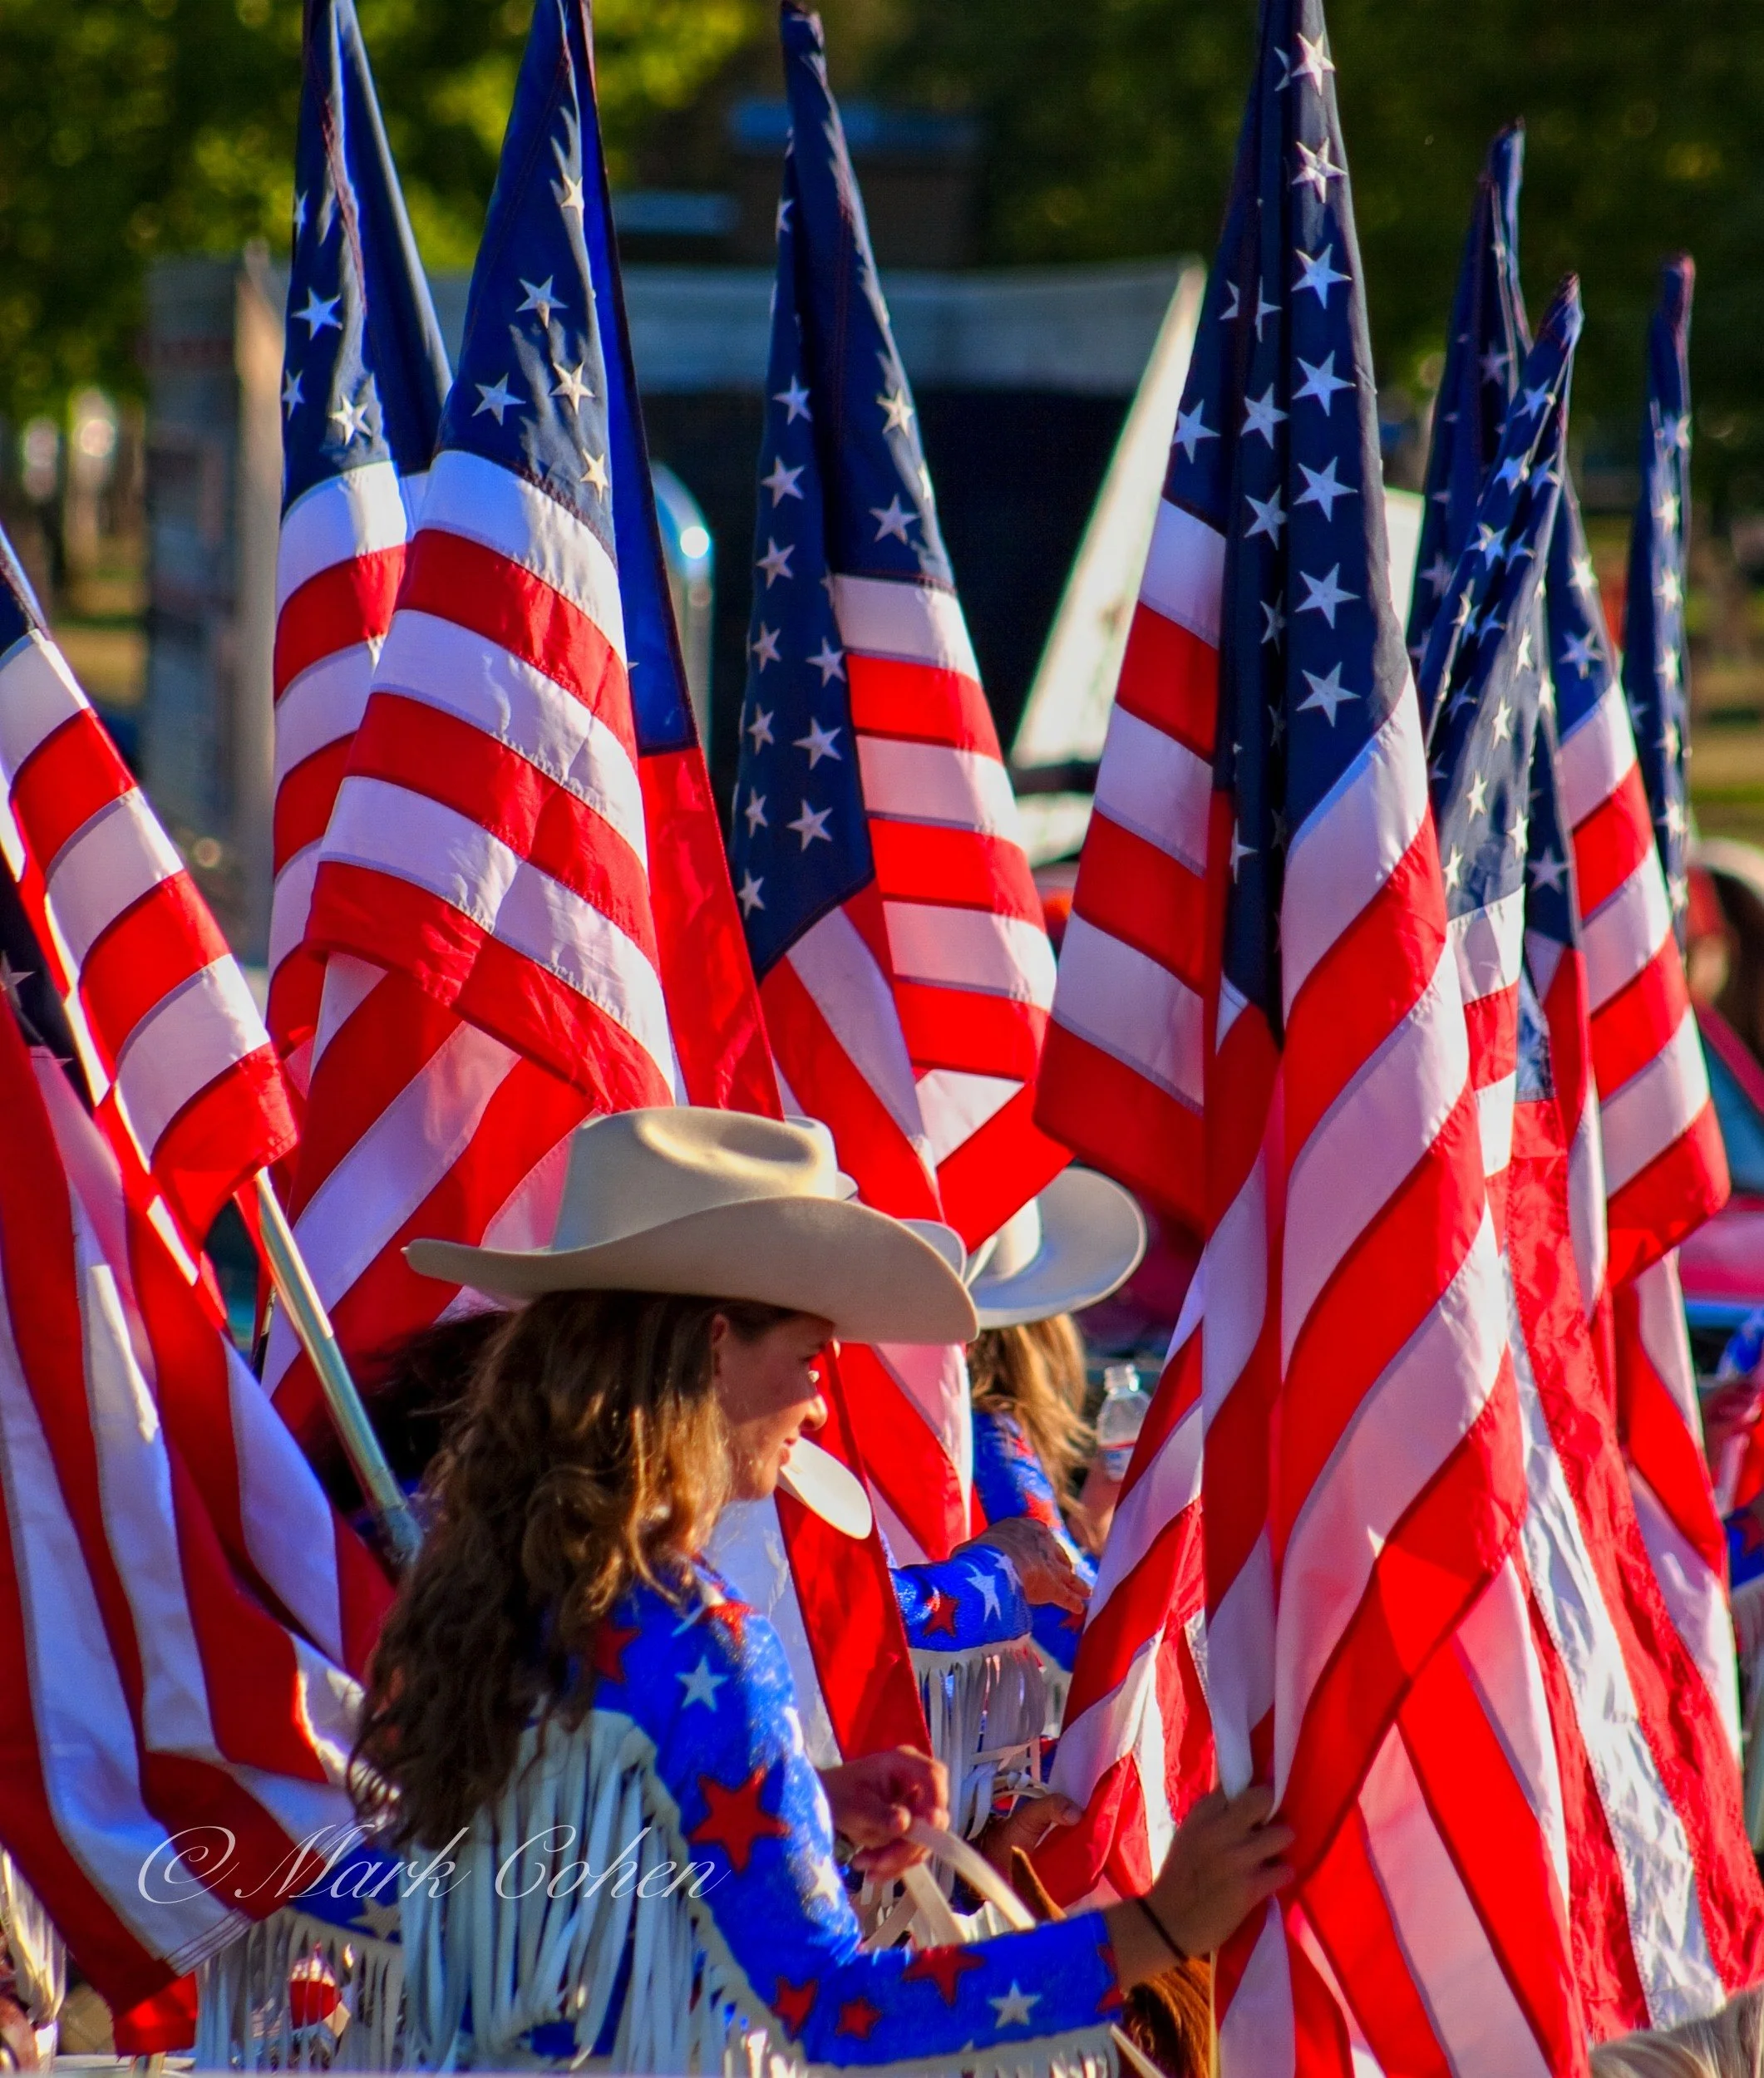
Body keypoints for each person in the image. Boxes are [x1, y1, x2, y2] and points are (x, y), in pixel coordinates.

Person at [347, 1108, 1289, 2071]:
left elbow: (560, 1873)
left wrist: (804, 1795)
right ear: (714, 1348)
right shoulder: (696, 1631)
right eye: (806, 1356)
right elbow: (831, 2010)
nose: (817, 1397)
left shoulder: (493, 1584)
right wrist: (1158, 1930)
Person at [965, 1169, 1150, 1676]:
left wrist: (1091, 1530)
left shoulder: (976, 1427)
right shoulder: (992, 1433)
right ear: (1043, 1328)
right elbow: (1083, 1631)